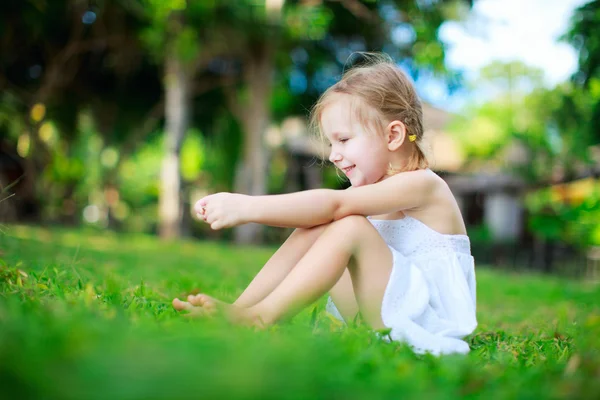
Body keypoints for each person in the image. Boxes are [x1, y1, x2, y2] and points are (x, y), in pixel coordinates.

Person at [173, 54, 477, 355]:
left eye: (343, 140)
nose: (333, 154)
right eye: (332, 144)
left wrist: (248, 207)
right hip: (382, 311)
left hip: (426, 322)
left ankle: (261, 317)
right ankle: (242, 309)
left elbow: (334, 204)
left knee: (347, 224)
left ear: (393, 135)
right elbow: (326, 212)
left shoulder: (424, 185)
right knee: (319, 223)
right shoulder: (376, 191)